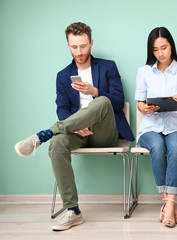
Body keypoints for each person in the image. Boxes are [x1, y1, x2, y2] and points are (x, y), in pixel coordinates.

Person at [14, 22, 134, 231]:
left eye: (84, 46)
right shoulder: (63, 75)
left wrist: (94, 91)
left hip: (104, 131)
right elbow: (62, 108)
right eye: (74, 47)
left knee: (103, 102)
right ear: (68, 45)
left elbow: (117, 102)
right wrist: (75, 125)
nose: (79, 51)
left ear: (91, 43)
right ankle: (73, 211)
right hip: (77, 131)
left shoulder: (108, 67)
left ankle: (46, 133)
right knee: (57, 144)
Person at [135, 27, 177, 228]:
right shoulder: (143, 71)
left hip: (176, 126)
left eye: (164, 47)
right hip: (150, 126)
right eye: (156, 49)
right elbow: (139, 103)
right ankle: (170, 204)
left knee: (175, 147)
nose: (160, 53)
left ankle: (168, 205)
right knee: (158, 147)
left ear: (171, 46)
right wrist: (144, 107)